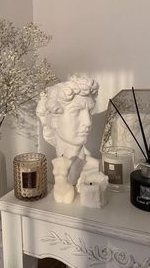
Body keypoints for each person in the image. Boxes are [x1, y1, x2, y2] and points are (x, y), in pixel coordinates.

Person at [36, 75, 108, 204]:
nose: (88, 122)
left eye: (90, 112)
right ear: (53, 120)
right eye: (76, 112)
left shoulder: (94, 167)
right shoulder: (48, 171)